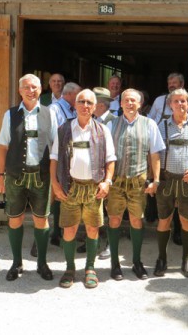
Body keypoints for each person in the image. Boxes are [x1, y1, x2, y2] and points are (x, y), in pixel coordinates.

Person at [50, 89, 116, 289]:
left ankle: (90, 268)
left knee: (92, 228)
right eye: (81, 102)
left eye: (89, 102)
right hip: (70, 186)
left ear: (95, 107)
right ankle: (70, 269)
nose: (85, 106)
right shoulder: (63, 129)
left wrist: (107, 182)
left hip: (93, 187)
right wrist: (54, 183)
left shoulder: (103, 130)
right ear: (75, 105)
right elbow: (54, 158)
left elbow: (111, 160)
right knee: (69, 230)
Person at [0, 74, 57, 282]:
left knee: (42, 219)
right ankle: (16, 263)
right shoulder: (11, 114)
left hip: (41, 175)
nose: (31, 91)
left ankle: (42, 263)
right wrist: (1, 175)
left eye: (35, 87)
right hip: (15, 175)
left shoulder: (50, 113)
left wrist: (55, 179)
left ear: (40, 90)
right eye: (27, 87)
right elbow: (3, 146)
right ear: (20, 91)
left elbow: (55, 149)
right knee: (15, 218)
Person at [107, 89, 165, 280]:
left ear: (140, 104)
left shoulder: (149, 124)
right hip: (116, 181)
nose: (130, 103)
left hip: (138, 181)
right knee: (114, 219)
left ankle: (137, 262)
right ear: (120, 104)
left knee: (136, 220)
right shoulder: (110, 124)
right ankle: (115, 264)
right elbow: (105, 155)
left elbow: (155, 154)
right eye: (126, 100)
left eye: (133, 100)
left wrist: (156, 180)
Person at [154, 88, 188, 279]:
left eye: (183, 101)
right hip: (167, 180)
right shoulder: (162, 126)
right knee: (164, 220)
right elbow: (155, 155)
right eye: (176, 101)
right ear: (170, 105)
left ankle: (186, 259)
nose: (180, 104)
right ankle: (162, 258)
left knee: (187, 220)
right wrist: (155, 179)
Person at [49, 81, 81, 246]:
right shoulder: (55, 109)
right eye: (78, 95)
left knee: (65, 193)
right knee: (57, 193)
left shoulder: (73, 110)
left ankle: (62, 230)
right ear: (69, 95)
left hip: (71, 157)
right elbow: (53, 135)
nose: (80, 99)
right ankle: (54, 231)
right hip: (59, 156)